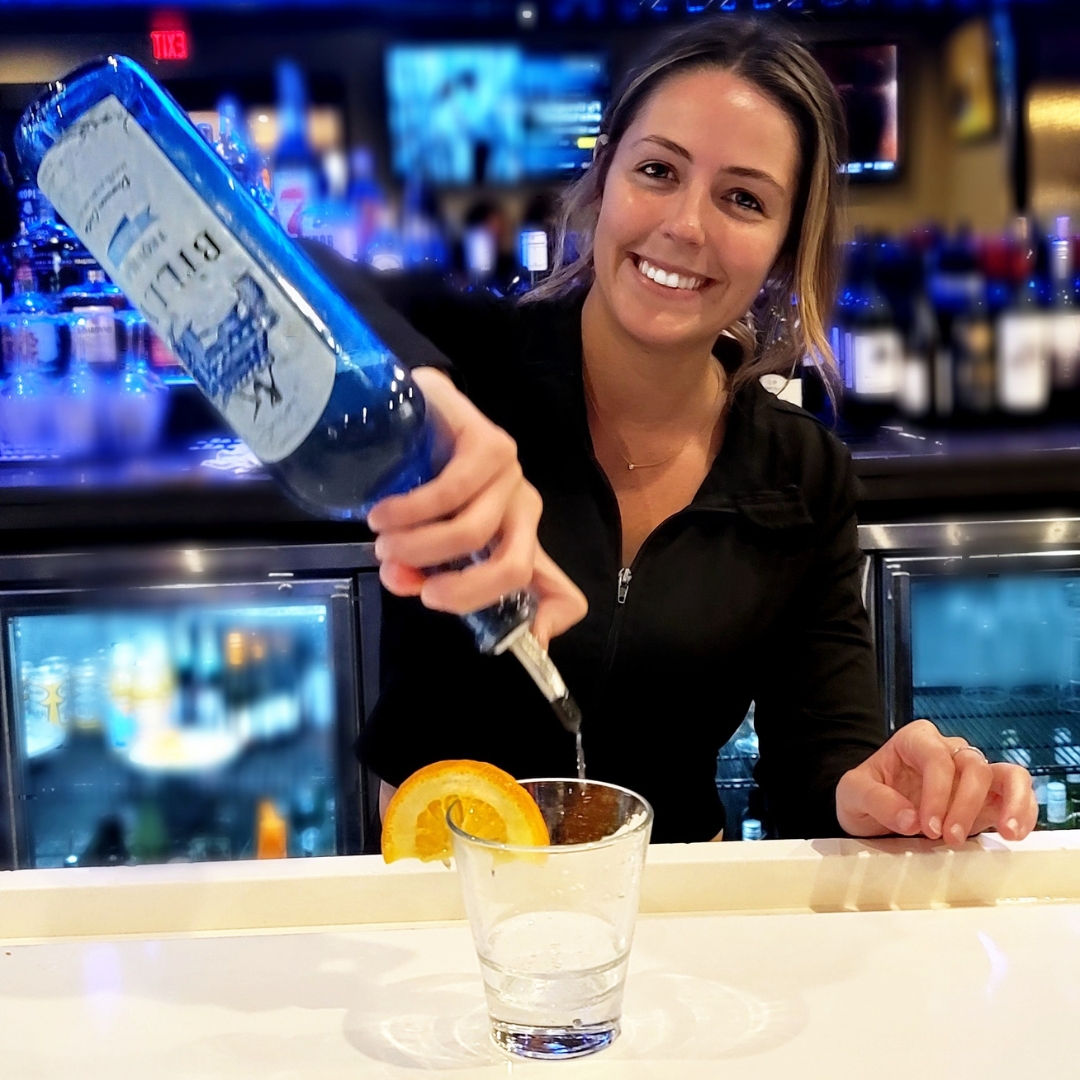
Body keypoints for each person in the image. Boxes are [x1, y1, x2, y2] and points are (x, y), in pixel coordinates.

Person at [306, 17, 1036, 847]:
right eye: (658, 170)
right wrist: (422, 393)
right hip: (438, 884)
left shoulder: (800, 473)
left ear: (785, 240)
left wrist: (875, 792)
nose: (687, 225)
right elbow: (303, 279)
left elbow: (818, 760)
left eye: (743, 198)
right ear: (604, 174)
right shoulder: (472, 365)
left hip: (665, 907)